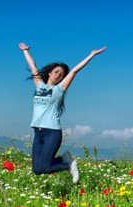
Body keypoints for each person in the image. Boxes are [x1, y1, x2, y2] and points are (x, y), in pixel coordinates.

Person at [19, 42, 106, 183]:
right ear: (49, 73)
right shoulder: (39, 85)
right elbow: (33, 67)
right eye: (56, 72)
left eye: (61, 74)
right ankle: (65, 159)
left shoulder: (59, 89)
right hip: (38, 132)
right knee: (37, 170)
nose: (59, 75)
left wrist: (91, 55)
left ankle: (69, 164)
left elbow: (75, 71)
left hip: (52, 132)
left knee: (46, 167)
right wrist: (25, 51)